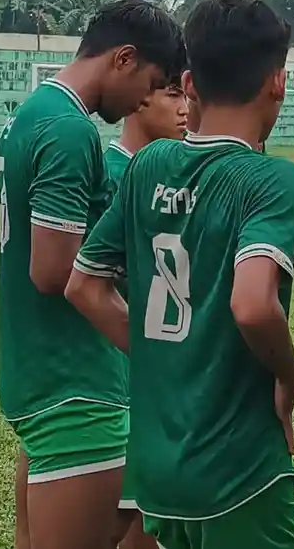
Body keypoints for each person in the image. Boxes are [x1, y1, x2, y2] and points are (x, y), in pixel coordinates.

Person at [65, 0, 294, 549]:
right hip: (237, 467)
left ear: (190, 82)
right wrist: (287, 378)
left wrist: (161, 352)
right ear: (278, 82)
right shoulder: (270, 180)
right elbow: (252, 304)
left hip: (157, 466)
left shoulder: (149, 165)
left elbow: (85, 285)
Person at [0, 0, 185, 549]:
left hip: (36, 370)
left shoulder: (27, 116)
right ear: (123, 58)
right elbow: (54, 272)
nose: (146, 98)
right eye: (150, 83)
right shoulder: (70, 130)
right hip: (78, 385)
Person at [101, 78, 189, 549]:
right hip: (118, 382)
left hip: (159, 390)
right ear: (140, 98)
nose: (184, 107)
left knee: (146, 522)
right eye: (173, 95)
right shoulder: (109, 174)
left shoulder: (178, 178)